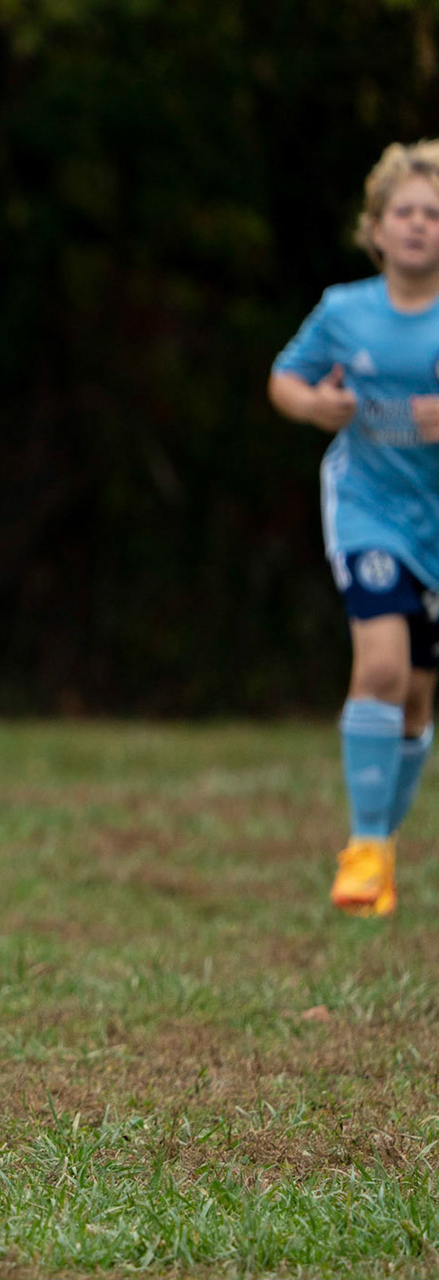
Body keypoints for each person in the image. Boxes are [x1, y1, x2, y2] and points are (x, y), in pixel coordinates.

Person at [270, 139, 439, 919]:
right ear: (376, 229)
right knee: (380, 670)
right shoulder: (344, 310)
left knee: (415, 701)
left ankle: (383, 838)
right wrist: (315, 407)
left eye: (434, 214)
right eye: (405, 211)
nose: (419, 225)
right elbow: (285, 378)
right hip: (368, 506)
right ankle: (366, 846)